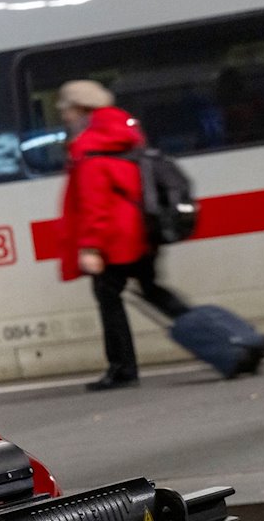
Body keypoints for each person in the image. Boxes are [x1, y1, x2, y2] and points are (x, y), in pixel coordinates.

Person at [55, 80, 191, 391]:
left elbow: (94, 203)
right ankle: (221, 335)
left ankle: (122, 368)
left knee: (108, 298)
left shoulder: (90, 145)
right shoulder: (125, 135)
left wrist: (90, 246)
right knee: (152, 289)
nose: (64, 117)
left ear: (81, 110)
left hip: (114, 240)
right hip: (142, 233)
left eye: (66, 110)